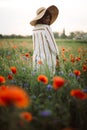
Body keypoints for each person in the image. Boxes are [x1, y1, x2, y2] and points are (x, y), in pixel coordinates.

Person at [30, 5, 59, 75]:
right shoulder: (46, 28)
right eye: (46, 18)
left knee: (39, 75)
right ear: (41, 18)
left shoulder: (34, 29)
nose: (48, 20)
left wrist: (35, 54)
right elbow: (52, 44)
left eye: (49, 18)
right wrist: (57, 54)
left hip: (37, 57)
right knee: (49, 75)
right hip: (48, 57)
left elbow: (34, 45)